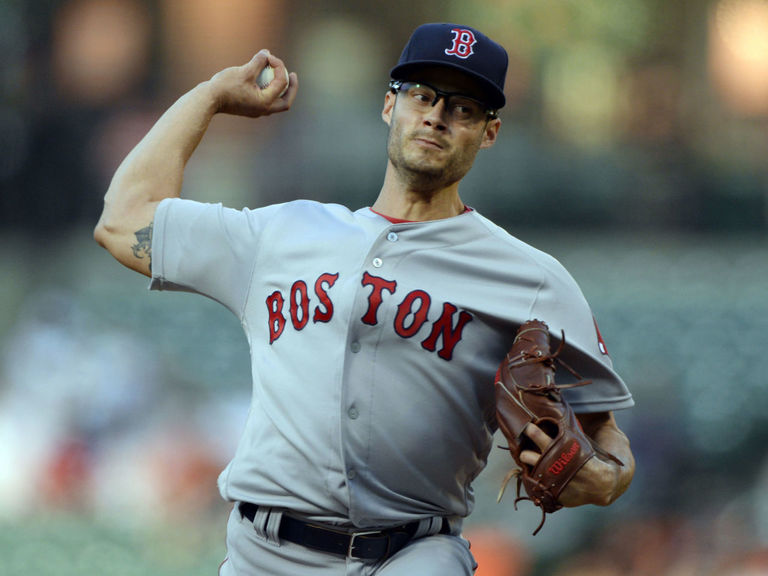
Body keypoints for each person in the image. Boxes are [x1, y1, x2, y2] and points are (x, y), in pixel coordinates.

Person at [94, 22, 635, 576]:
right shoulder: (281, 234)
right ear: (389, 105)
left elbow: (605, 435)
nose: (437, 116)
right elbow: (122, 221)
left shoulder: (530, 277)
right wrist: (208, 98)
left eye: (464, 108)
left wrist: (605, 477)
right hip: (264, 553)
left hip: (413, 554)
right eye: (421, 95)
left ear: (489, 132)